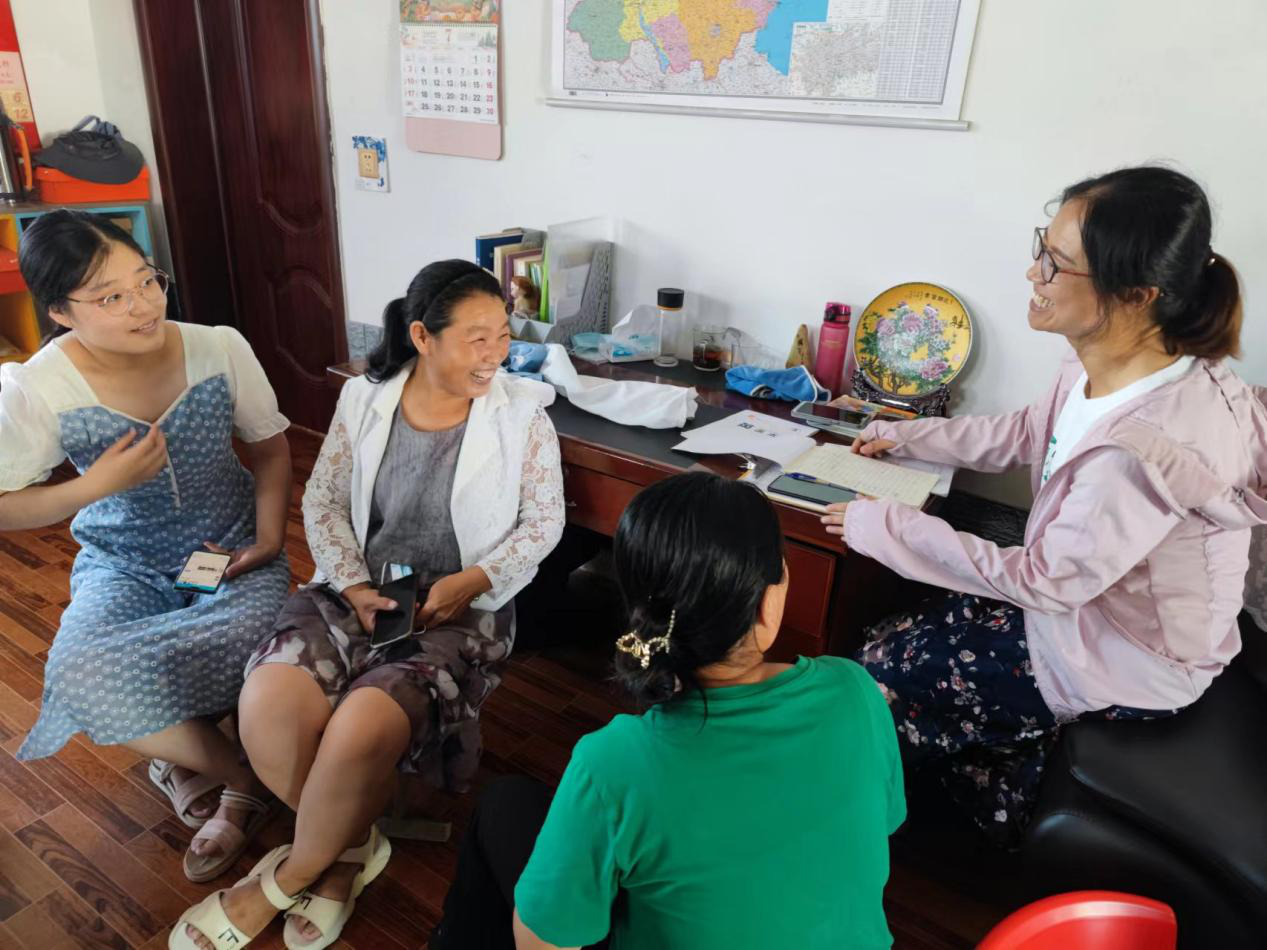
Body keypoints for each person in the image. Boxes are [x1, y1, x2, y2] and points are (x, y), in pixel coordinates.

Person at [820, 165, 1266, 845]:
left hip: (1128, 656)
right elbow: (1027, 432)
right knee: (890, 634)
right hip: (1083, 605)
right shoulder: (1105, 362)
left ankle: (900, 817)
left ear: (1136, 294)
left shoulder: (1140, 450)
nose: (1034, 273)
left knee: (873, 679)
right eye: (1042, 247)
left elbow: (1046, 582)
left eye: (1055, 263)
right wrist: (906, 436)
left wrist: (883, 525)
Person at [172, 259, 565, 950]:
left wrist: (473, 579)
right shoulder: (364, 398)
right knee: (265, 709)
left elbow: (543, 523)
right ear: (423, 336)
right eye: (476, 337)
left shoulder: (523, 414)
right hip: (353, 587)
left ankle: (288, 876)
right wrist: (353, 585)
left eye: (503, 335)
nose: (495, 353)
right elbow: (324, 499)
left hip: (459, 607)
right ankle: (349, 850)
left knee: (359, 727)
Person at [431, 471, 906, 950]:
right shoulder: (856, 690)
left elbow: (544, 944)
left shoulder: (613, 764)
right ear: (768, 604)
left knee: (505, 804)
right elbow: (879, 826)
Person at [0, 210, 291, 879]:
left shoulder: (218, 347)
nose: (143, 306)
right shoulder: (39, 387)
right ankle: (242, 775)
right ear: (60, 312)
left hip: (228, 545)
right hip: (123, 561)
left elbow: (272, 452)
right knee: (80, 671)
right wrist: (92, 487)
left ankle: (187, 756)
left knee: (259, 643)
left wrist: (270, 539)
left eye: (146, 281)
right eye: (110, 297)